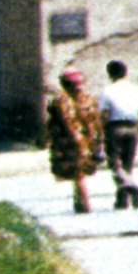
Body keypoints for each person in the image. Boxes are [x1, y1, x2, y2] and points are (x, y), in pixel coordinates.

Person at [97, 59, 138, 211]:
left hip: (115, 129)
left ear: (110, 74)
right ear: (125, 73)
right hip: (133, 129)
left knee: (115, 165)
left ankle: (132, 187)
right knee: (127, 166)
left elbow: (104, 114)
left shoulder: (108, 91)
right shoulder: (136, 90)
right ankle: (122, 200)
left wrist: (98, 133)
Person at [47, 69, 103, 215]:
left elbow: (67, 123)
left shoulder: (61, 101)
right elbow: (96, 120)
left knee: (78, 175)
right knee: (78, 174)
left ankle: (84, 205)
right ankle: (79, 202)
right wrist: (97, 140)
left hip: (71, 142)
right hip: (87, 140)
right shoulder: (88, 99)